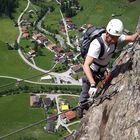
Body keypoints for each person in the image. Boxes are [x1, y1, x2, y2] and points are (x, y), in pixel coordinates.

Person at [77, 18, 140, 118]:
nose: (115, 40)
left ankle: (87, 104)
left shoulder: (115, 38)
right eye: (113, 37)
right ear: (107, 33)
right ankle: (80, 108)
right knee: (86, 91)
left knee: (93, 93)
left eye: (116, 37)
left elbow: (132, 38)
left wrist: (138, 32)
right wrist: (92, 84)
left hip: (100, 72)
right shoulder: (97, 44)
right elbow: (86, 65)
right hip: (91, 71)